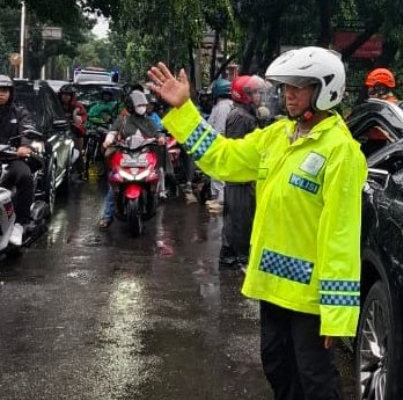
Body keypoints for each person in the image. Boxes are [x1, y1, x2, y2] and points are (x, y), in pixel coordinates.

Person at [148, 46, 367, 400]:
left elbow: (341, 236)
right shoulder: (277, 137)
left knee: (315, 380)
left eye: (299, 86)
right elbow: (222, 158)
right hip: (272, 288)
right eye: (286, 86)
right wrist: (183, 111)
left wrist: (337, 314)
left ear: (325, 89)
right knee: (276, 366)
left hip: (310, 300)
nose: (289, 94)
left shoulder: (340, 152)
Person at [217, 75, 270, 269]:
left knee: (243, 217)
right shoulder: (240, 116)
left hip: (245, 176)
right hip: (239, 177)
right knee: (238, 218)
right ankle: (233, 256)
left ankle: (236, 254)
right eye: (254, 92)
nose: (258, 96)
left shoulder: (248, 113)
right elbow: (239, 148)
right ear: (244, 94)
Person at [97, 91, 165, 229]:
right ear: (131, 106)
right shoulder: (123, 120)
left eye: (143, 105)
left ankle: (159, 194)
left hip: (144, 155)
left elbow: (157, 133)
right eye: (139, 105)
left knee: (156, 175)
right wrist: (108, 141)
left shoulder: (149, 121)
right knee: (114, 183)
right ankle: (107, 216)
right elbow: (112, 132)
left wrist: (160, 138)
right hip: (125, 154)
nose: (142, 107)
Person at [0, 75, 36, 240]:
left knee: (25, 176)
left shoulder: (19, 112)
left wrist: (24, 145)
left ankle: (21, 222)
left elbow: (27, 130)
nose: (1, 93)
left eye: (5, 90)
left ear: (10, 93)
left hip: (12, 158)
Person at [204, 78, 234, 209]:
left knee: (218, 173)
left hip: (219, 143)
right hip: (223, 143)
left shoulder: (222, 107)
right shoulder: (227, 104)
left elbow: (220, 129)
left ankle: (220, 199)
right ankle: (218, 197)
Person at [58, 85, 88, 179]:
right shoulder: (56, 105)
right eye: (64, 95)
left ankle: (81, 172)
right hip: (59, 132)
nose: (65, 97)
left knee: (78, 153)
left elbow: (81, 120)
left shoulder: (78, 106)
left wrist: (75, 114)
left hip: (75, 132)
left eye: (68, 95)